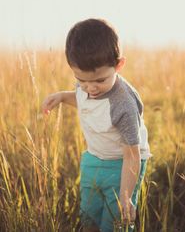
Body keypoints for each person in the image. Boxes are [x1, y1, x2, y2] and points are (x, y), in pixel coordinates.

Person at [42, 19, 151, 232]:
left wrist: (126, 195)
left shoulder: (123, 105)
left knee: (116, 220)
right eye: (81, 80)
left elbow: (132, 156)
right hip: (93, 158)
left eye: (99, 81)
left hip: (123, 165)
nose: (90, 88)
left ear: (119, 65)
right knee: (88, 215)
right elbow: (87, 101)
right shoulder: (88, 82)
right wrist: (64, 96)